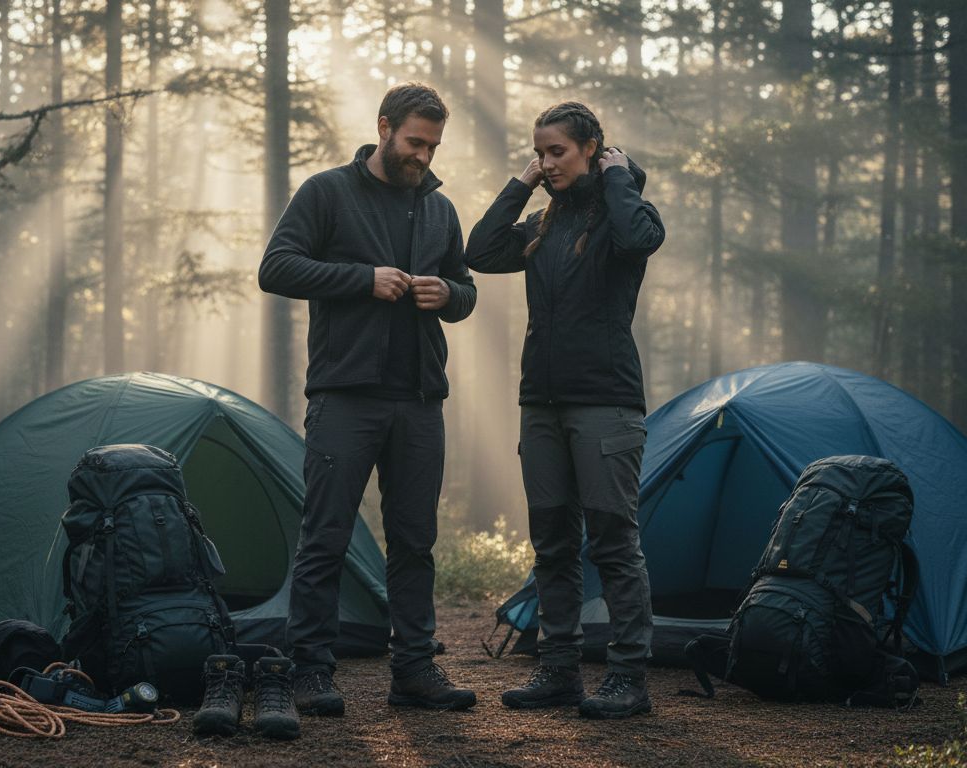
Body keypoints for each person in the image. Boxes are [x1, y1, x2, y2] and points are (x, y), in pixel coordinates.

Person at [258, 82, 478, 714]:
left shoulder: (440, 210)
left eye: (433, 146)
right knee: (325, 536)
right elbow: (276, 268)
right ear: (384, 127)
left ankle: (414, 671)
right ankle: (309, 671)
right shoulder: (327, 192)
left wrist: (451, 296)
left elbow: (465, 290)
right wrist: (363, 280)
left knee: (415, 541)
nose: (424, 157)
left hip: (419, 400)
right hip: (345, 397)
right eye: (415, 142)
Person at [464, 101, 665, 719]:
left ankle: (629, 678)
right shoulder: (542, 226)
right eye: (540, 151)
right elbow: (480, 249)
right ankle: (559, 672)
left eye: (558, 152)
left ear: (592, 149)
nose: (547, 162)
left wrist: (619, 177)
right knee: (552, 544)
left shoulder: (622, 216)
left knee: (612, 543)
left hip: (605, 404)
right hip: (541, 405)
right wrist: (521, 181)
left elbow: (641, 238)